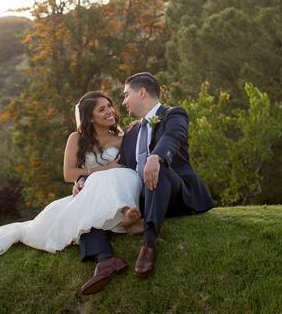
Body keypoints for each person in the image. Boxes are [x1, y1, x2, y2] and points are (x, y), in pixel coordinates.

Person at [0, 91, 143, 288]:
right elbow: (68, 173)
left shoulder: (122, 138)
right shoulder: (76, 139)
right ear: (90, 118)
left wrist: (94, 176)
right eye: (102, 109)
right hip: (90, 192)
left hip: (111, 190)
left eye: (109, 106)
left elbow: (127, 168)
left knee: (102, 189)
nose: (109, 111)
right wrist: (90, 175)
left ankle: (111, 247)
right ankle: (109, 253)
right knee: (81, 212)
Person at [77, 72, 214, 296]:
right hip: (142, 198)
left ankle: (149, 244)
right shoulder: (130, 133)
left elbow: (174, 137)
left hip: (176, 193)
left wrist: (156, 157)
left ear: (141, 92)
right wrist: (83, 180)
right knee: (90, 200)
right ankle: (103, 259)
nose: (122, 103)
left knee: (159, 170)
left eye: (125, 95)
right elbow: (115, 168)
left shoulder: (173, 114)